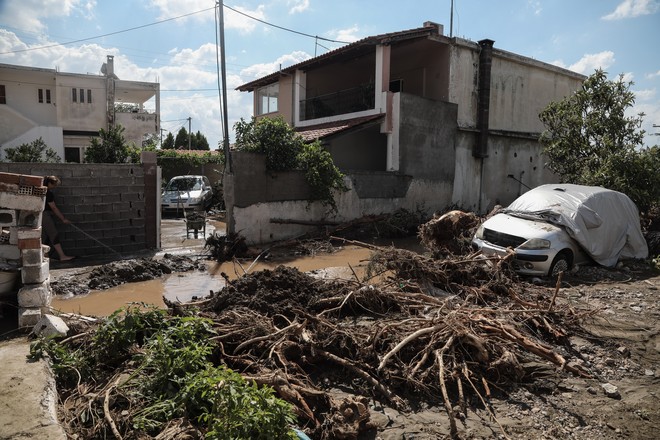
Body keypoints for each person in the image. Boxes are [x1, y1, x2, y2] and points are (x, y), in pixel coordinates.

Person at [42, 175, 75, 261]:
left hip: (39, 215)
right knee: (53, 234)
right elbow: (54, 208)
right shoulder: (48, 193)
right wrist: (63, 219)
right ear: (49, 183)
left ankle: (45, 257)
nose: (55, 187)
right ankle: (62, 256)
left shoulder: (41, 190)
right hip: (44, 215)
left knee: (44, 236)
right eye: (54, 185)